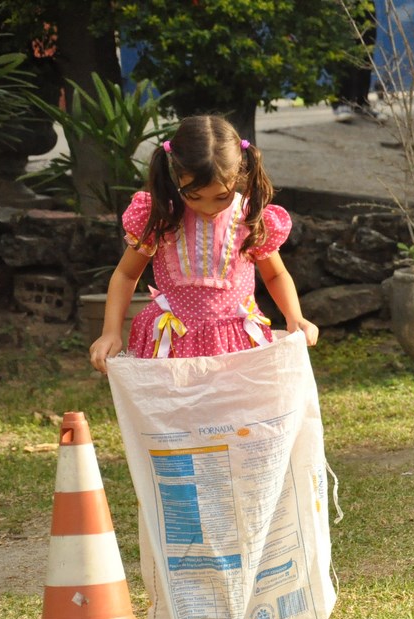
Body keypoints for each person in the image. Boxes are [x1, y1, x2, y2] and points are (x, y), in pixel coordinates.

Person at [90, 115, 318, 372]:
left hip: (236, 347)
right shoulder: (161, 216)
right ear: (177, 177)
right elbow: (126, 274)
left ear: (237, 176)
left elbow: (275, 275)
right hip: (171, 347)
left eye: (222, 197)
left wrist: (295, 316)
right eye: (194, 196)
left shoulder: (249, 217)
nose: (209, 208)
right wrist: (110, 331)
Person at [332, 1, 383, 123]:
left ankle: (362, 103)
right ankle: (342, 102)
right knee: (345, 48)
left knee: (366, 47)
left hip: (365, 4)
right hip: (343, 4)